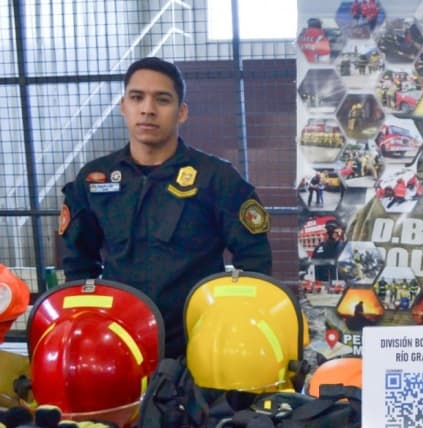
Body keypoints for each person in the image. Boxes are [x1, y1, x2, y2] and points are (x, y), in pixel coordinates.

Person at [60, 57, 272, 359]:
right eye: (137, 97)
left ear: (181, 111)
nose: (148, 109)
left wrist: (229, 325)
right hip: (118, 345)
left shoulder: (216, 178)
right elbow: (78, 265)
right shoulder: (94, 179)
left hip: (200, 345)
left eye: (162, 99)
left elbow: (254, 261)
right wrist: (91, 326)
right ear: (123, 106)